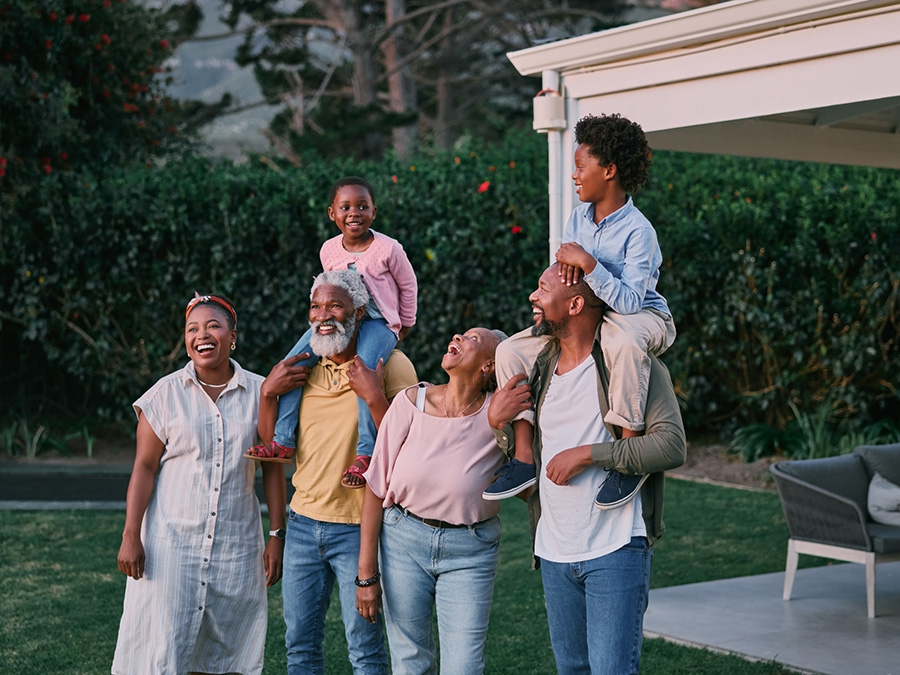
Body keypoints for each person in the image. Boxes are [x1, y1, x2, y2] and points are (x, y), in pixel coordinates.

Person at [488, 264, 686, 675]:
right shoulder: (537, 371)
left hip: (616, 547)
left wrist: (587, 455)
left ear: (576, 304)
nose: (532, 298)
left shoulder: (633, 366)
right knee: (571, 670)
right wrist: (497, 425)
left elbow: (670, 445)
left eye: (543, 289)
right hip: (554, 548)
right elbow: (525, 473)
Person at [485, 113, 677, 509]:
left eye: (579, 166)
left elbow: (628, 302)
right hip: (591, 314)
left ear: (609, 170)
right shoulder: (577, 218)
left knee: (623, 342)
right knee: (510, 351)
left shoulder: (639, 232)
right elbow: (567, 282)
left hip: (639, 316)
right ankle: (524, 455)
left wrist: (590, 264)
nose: (574, 175)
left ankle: (628, 458)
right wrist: (550, 305)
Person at [113, 293, 288, 675]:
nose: (202, 335)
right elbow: (144, 467)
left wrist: (277, 535)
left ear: (233, 336)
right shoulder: (164, 395)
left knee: (225, 652)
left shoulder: (261, 394)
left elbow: (272, 468)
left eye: (213, 326)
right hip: (170, 545)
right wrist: (131, 534)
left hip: (236, 547)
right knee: (166, 647)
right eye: (193, 329)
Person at [254, 269, 418, 675]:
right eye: (315, 306)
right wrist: (267, 392)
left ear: (359, 311)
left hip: (358, 529)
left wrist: (375, 395)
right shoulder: (305, 368)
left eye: (335, 305)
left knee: (364, 651)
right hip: (303, 525)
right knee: (300, 648)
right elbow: (272, 447)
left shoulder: (391, 365)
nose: (323, 315)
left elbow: (414, 449)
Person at [354, 327, 508, 675]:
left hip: (471, 549)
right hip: (402, 542)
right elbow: (376, 487)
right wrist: (366, 576)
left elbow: (526, 477)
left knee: (464, 667)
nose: (456, 336)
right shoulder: (410, 402)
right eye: (460, 334)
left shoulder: (499, 415)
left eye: (471, 338)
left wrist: (504, 424)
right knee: (410, 663)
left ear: (489, 365)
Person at [248, 176, 418, 490]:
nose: (354, 212)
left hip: (379, 324)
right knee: (292, 363)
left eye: (362, 206)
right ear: (332, 214)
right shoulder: (329, 249)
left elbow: (408, 286)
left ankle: (365, 452)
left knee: (363, 371)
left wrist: (404, 324)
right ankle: (283, 440)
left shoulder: (388, 249)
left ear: (374, 212)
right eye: (346, 207)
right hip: (341, 319)